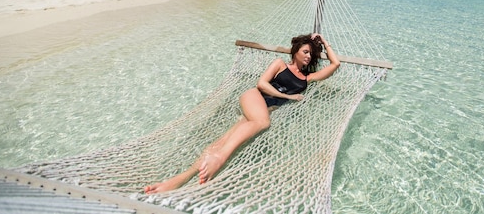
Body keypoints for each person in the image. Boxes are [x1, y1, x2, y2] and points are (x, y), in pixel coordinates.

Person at [144, 33, 340, 194]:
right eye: (305, 51)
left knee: (224, 140)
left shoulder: (308, 78)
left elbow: (335, 64)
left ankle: (178, 181)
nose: (308, 56)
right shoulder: (280, 64)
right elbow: (261, 84)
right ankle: (219, 160)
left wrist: (323, 41)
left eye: (311, 55)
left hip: (261, 111)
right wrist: (288, 97)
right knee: (263, 123)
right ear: (296, 50)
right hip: (254, 98)